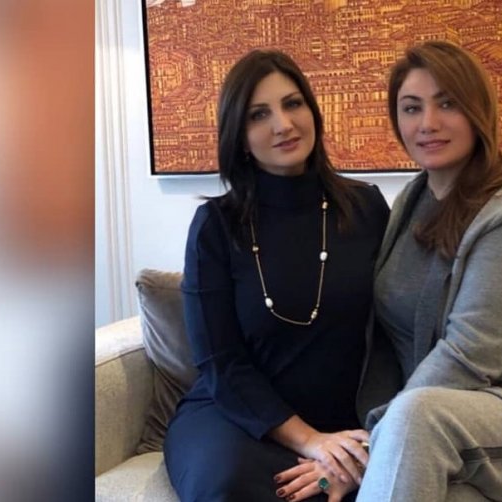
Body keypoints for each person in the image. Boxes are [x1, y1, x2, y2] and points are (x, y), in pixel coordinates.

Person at [282, 41, 502, 501]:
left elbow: (468, 357)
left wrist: (368, 450)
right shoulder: (412, 200)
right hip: (445, 427)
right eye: (411, 108)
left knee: (415, 419)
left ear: (478, 111)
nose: (427, 123)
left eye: (447, 103)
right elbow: (384, 338)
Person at [163, 49, 389, 502]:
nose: (283, 124)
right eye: (259, 114)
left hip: (342, 423)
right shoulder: (216, 227)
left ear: (313, 111)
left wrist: (360, 448)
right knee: (227, 484)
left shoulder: (366, 209)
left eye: (293, 104)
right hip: (239, 418)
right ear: (240, 137)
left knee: (346, 487)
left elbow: (396, 337)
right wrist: (310, 442)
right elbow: (220, 363)